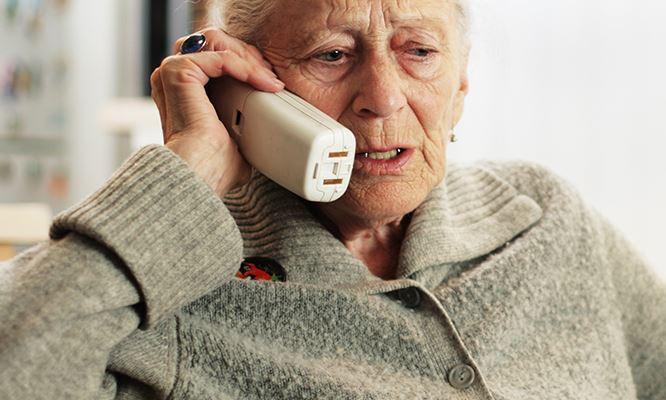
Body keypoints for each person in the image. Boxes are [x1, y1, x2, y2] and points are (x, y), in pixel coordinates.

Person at [1, 0, 664, 398]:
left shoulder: (543, 216)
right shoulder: (172, 289)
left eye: (419, 51)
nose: (383, 96)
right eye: (331, 54)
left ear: (462, 84)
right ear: (247, 87)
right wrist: (186, 179)